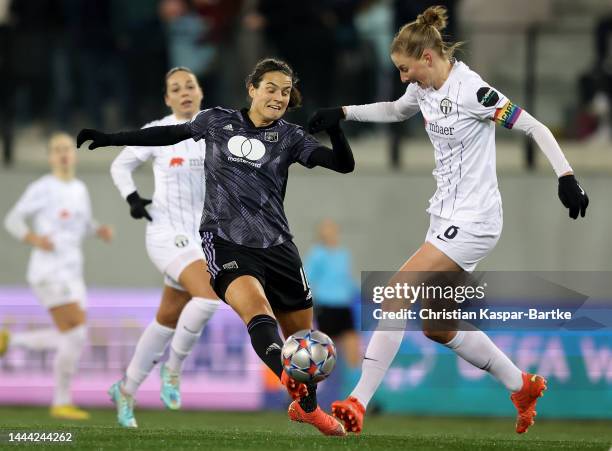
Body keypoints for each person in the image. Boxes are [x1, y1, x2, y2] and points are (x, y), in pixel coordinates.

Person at [308, 5, 589, 435]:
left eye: (406, 69)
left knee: (396, 292)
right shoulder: (422, 90)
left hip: (475, 220)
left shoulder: (473, 92)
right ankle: (522, 385)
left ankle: (358, 402)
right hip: (445, 216)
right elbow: (397, 110)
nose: (404, 78)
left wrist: (566, 176)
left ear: (427, 58)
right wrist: (344, 112)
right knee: (439, 326)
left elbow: (534, 127)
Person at [76, 57, 355, 436]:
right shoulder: (217, 121)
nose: (278, 96)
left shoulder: (290, 137)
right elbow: (168, 135)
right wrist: (113, 139)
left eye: (285, 92)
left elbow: (343, 165)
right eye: (270, 88)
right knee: (256, 312)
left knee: (303, 340)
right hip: (225, 243)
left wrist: (336, 130)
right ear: (252, 88)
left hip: (278, 246)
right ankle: (290, 386)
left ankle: (306, 406)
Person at [108, 67, 220, 428]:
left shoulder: (217, 130)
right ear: (167, 98)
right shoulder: (157, 132)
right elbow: (120, 166)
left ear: (201, 92)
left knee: (167, 318)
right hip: (164, 233)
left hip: (202, 239)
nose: (184, 92)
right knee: (207, 297)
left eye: (190, 85)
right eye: (176, 88)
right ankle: (172, 370)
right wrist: (132, 199)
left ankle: (125, 389)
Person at [1, 132, 113, 420]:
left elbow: (82, 223)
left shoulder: (79, 188)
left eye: (67, 149)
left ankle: (9, 342)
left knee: (74, 336)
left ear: (73, 155)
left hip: (73, 272)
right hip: (49, 271)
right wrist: (34, 239)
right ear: (51, 157)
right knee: (74, 334)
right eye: (57, 149)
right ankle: (60, 401)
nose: (63, 153)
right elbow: (12, 219)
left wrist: (97, 230)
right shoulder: (42, 187)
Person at [305, 219, 360, 367]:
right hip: (326, 306)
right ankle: (323, 382)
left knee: (353, 347)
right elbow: (307, 278)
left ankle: (355, 382)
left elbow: (346, 278)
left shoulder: (343, 254)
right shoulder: (317, 254)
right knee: (326, 350)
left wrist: (354, 291)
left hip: (343, 305)